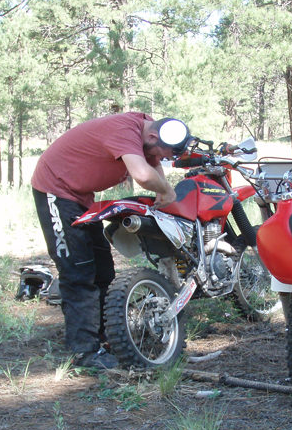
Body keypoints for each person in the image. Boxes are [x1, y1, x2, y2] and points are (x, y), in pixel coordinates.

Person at [31, 113, 190, 370]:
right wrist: (167, 190)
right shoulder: (124, 130)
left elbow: (152, 167)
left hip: (81, 196)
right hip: (55, 190)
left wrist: (162, 189)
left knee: (103, 270)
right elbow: (142, 174)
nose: (163, 161)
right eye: (165, 155)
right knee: (78, 272)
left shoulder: (150, 129)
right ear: (152, 137)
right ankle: (84, 352)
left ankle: (106, 336)